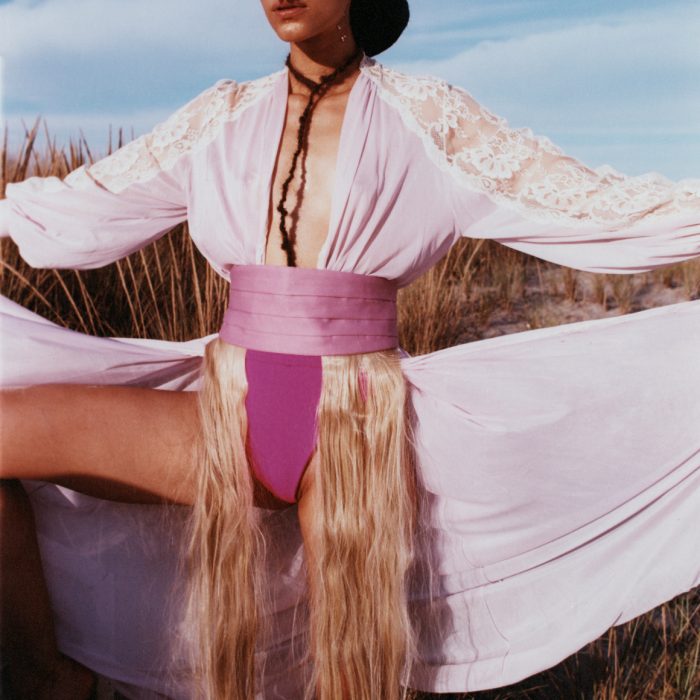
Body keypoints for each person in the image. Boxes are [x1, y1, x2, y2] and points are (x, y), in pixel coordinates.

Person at [1, 0, 699, 698]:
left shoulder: (430, 121)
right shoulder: (220, 118)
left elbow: (600, 208)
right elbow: (75, 209)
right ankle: (50, 678)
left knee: (353, 676)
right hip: (224, 414)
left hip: (357, 425)